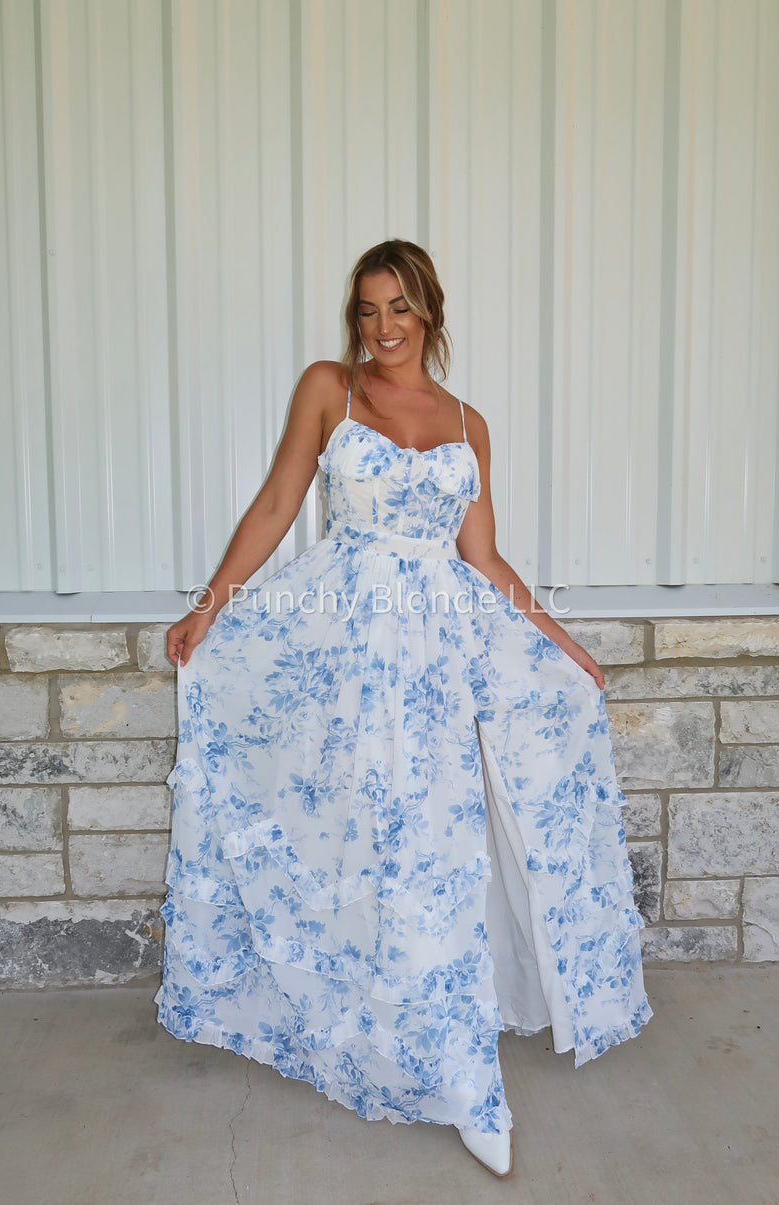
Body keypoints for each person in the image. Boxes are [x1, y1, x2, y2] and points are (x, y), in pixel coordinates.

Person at [154, 239, 652, 1180]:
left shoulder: (469, 423)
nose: (382, 327)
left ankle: (460, 1075)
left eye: (400, 308)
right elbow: (277, 503)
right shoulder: (330, 389)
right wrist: (210, 604)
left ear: (430, 312)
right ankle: (367, 1022)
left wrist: (564, 645)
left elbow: (483, 558)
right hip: (343, 655)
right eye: (368, 309)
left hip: (434, 667)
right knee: (356, 841)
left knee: (432, 850)